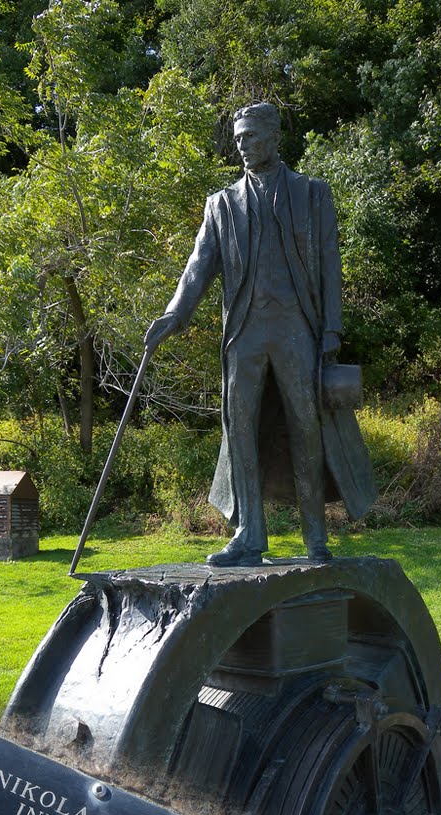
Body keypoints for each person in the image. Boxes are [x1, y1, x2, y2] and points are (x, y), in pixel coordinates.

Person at [145, 102, 375, 567]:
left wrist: (331, 328)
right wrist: (173, 315)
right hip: (244, 333)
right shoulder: (222, 205)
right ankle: (249, 535)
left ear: (273, 137)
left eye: (250, 136)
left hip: (297, 330)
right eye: (238, 139)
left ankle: (315, 538)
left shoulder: (312, 195)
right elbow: (197, 268)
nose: (242, 146)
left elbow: (331, 264)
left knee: (308, 430)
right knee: (241, 430)